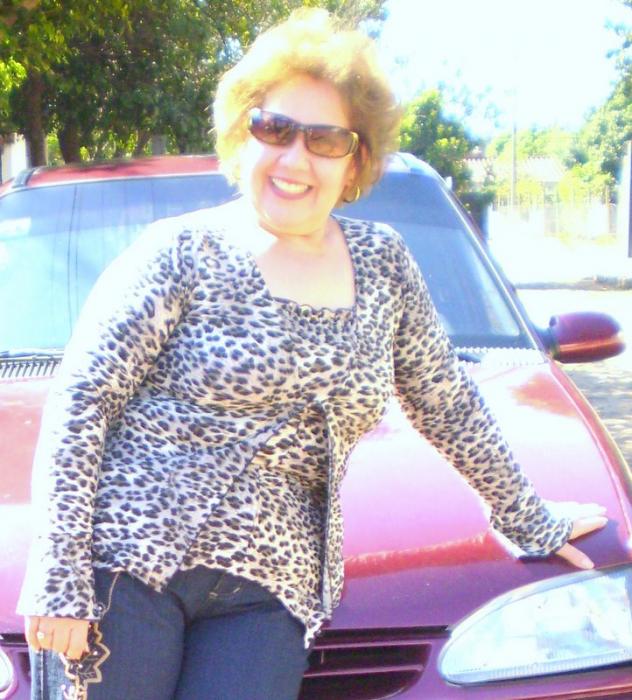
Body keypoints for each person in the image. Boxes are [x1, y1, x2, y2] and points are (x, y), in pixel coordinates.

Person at [18, 8, 607, 700]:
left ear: (356, 160)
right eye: (275, 129)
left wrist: (528, 517)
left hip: (269, 588)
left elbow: (447, 403)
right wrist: (57, 572)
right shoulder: (180, 251)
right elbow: (82, 400)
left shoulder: (384, 264)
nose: (295, 159)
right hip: (128, 562)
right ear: (244, 136)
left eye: (325, 139)